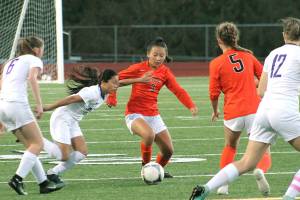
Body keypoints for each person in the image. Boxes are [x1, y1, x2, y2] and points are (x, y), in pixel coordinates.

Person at [190, 17, 300, 200]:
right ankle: (288, 197)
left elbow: (261, 90)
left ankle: (205, 189)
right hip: (283, 110)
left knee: (247, 162)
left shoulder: (273, 54)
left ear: (284, 35)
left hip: (264, 111)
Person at [41, 67, 151, 185]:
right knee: (64, 156)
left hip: (73, 121)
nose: (116, 85)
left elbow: (122, 83)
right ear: (103, 82)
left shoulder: (106, 90)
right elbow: (71, 99)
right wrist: (48, 107)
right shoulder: (92, 93)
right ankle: (37, 140)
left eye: (116, 82)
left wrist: (141, 79)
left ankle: (53, 173)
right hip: (62, 119)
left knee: (81, 152)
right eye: (114, 82)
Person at [107, 37, 199, 178]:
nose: (158, 58)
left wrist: (190, 105)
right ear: (148, 54)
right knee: (148, 135)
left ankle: (156, 170)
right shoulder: (138, 68)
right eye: (155, 55)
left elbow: (178, 90)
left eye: (161, 55)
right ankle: (145, 167)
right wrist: (112, 97)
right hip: (134, 113)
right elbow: (115, 80)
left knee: (168, 151)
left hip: (153, 115)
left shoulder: (165, 72)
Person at [209, 22, 272, 195]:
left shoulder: (216, 63)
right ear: (236, 37)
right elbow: (264, 77)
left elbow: (213, 93)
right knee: (263, 149)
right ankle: (260, 171)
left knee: (230, 146)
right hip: (254, 110)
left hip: (233, 111)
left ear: (218, 40)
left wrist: (215, 111)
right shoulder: (249, 56)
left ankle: (224, 185)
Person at [0, 36, 61, 195]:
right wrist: (39, 104)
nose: (43, 51)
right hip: (17, 105)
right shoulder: (33, 60)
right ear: (36, 49)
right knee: (38, 144)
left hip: (3, 105)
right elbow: (32, 78)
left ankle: (43, 183)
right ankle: (17, 179)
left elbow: (1, 84)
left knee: (31, 147)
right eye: (42, 48)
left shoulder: (10, 62)